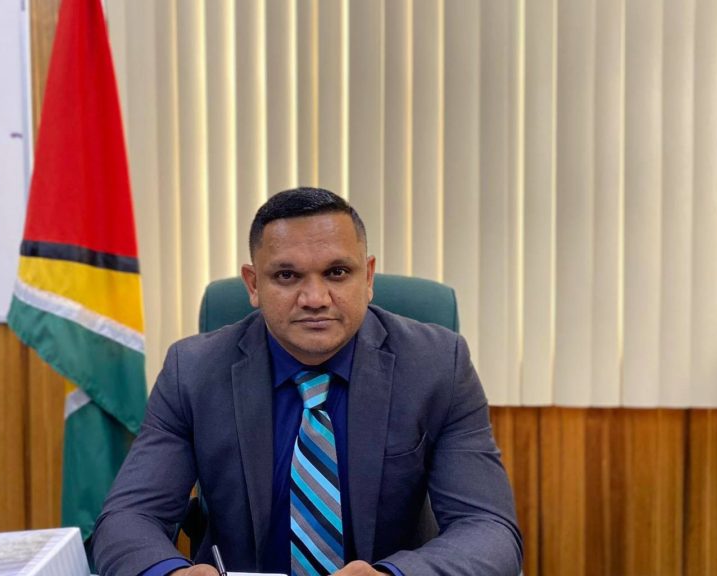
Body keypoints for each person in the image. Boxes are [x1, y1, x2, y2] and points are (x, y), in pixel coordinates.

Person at [93, 188, 523, 576]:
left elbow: (488, 528)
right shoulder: (192, 371)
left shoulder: (437, 366)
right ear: (253, 285)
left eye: (337, 272)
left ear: (368, 277)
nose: (315, 299)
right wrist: (171, 572)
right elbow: (128, 518)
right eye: (287, 276)